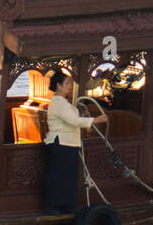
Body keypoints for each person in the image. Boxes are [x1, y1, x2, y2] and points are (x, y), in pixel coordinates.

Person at [43, 70, 106, 214]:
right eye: (67, 84)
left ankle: (65, 206)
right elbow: (73, 121)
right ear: (58, 86)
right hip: (61, 143)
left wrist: (83, 115)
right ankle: (53, 207)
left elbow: (73, 118)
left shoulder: (64, 103)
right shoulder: (59, 103)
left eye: (70, 83)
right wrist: (96, 120)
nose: (70, 86)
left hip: (69, 143)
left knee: (68, 176)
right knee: (59, 176)